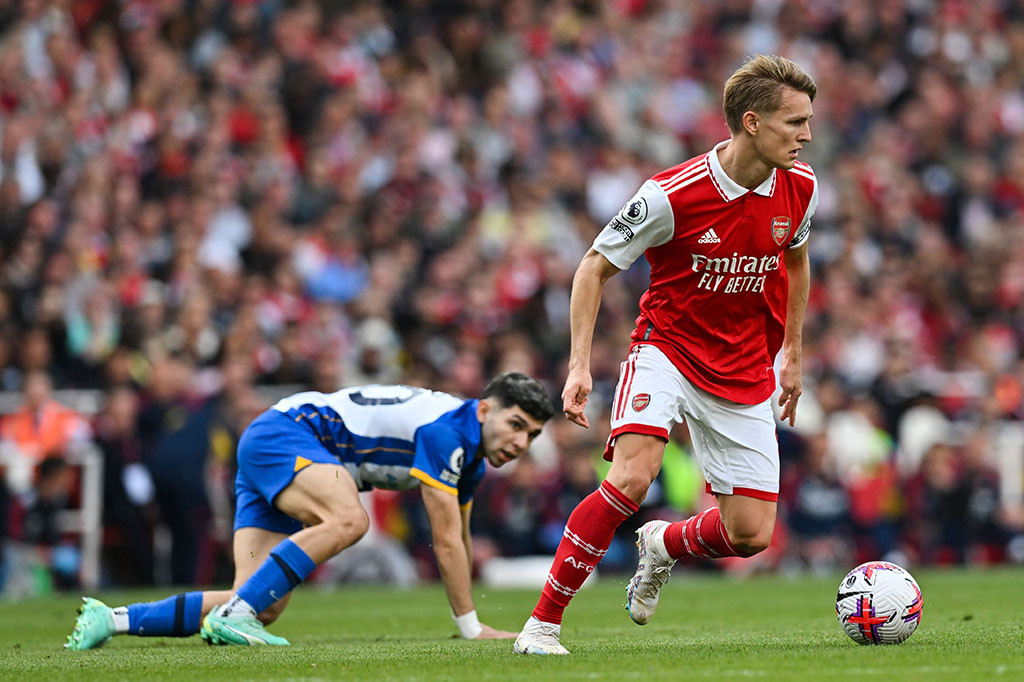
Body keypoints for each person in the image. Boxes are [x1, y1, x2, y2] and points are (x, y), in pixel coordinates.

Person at [513, 54, 817, 655]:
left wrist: (793, 353)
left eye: (809, 121)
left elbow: (797, 261)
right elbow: (593, 267)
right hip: (667, 348)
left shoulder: (800, 187)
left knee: (751, 536)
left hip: (744, 365)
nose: (807, 134)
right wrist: (578, 365)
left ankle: (660, 547)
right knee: (631, 476)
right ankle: (541, 626)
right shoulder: (671, 194)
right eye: (795, 122)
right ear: (751, 122)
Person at [65, 371, 554, 649]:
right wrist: (472, 627)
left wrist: (473, 618)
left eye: (531, 435)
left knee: (264, 602)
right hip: (289, 435)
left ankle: (112, 619)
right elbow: (444, 539)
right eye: (515, 424)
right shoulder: (451, 431)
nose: (520, 441)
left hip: (275, 444)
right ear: (486, 409)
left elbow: (461, 540)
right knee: (350, 520)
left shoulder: (470, 455)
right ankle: (237, 613)